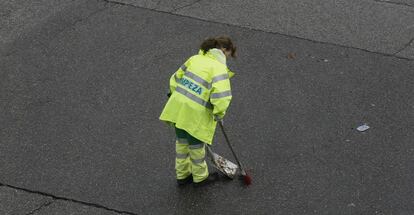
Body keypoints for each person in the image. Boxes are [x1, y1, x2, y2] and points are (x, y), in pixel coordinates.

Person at [159, 36, 236, 186]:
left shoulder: (194, 58)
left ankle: (182, 175)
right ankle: (200, 178)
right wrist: (219, 114)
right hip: (195, 114)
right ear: (224, 50)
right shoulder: (218, 68)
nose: (228, 57)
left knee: (181, 144)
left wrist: (174, 95)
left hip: (178, 108)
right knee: (196, 147)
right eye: (228, 54)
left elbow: (175, 78)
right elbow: (221, 96)